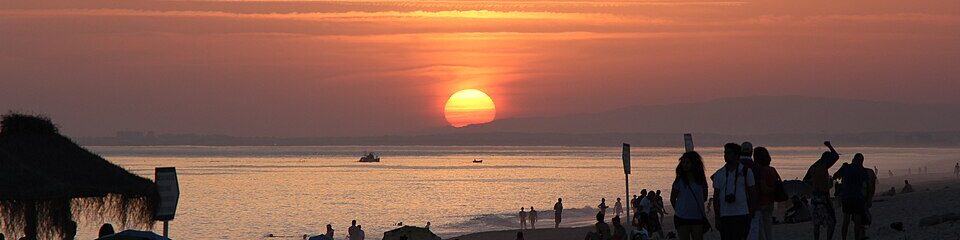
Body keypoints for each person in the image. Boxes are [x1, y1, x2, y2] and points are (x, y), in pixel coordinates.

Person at [713, 143, 756, 240]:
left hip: (742, 214)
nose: (725, 155)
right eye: (725, 153)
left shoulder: (746, 171)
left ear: (736, 155)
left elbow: (753, 193)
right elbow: (716, 197)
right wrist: (717, 217)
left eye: (728, 153)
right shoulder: (719, 174)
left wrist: (751, 212)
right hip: (725, 215)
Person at [832, 153, 876, 240]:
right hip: (858, 198)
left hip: (846, 197)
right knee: (857, 222)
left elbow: (835, 176)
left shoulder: (845, 167)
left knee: (846, 221)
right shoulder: (862, 170)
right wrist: (869, 198)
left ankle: (844, 239)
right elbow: (869, 184)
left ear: (853, 159)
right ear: (861, 161)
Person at [803, 141, 840, 240]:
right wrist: (829, 146)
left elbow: (805, 180)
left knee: (817, 223)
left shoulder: (813, 167)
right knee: (832, 221)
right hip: (823, 197)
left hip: (814, 197)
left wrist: (814, 183)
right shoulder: (823, 166)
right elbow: (836, 156)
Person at [671, 151, 709, 240]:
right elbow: (672, 199)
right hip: (682, 217)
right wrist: (679, 210)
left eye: (687, 162)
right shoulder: (679, 181)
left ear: (694, 164)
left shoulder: (701, 181)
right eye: (683, 162)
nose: (685, 165)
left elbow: (704, 197)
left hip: (697, 216)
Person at [754, 147, 783, 240]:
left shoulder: (760, 170)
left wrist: (771, 189)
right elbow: (778, 182)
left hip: (761, 203)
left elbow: (764, 188)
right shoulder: (772, 169)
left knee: (760, 230)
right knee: (768, 228)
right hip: (770, 202)